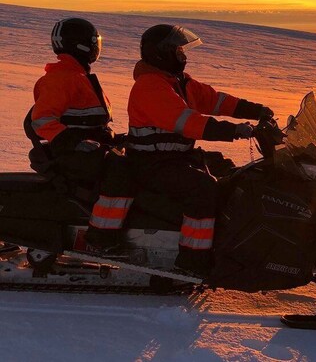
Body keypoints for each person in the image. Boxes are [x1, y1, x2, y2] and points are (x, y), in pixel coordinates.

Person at [126, 24, 274, 277]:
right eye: (178, 50)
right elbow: (188, 122)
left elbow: (214, 100)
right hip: (150, 164)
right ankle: (192, 260)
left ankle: (227, 241)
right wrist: (235, 131)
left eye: (183, 50)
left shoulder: (177, 82)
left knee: (230, 172)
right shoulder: (150, 86)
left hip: (174, 158)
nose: (183, 55)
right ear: (162, 53)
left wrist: (256, 110)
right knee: (203, 188)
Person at [29, 18, 134, 250]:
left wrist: (118, 138)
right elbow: (42, 120)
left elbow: (91, 121)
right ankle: (102, 235)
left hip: (89, 148)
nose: (97, 46)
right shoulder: (60, 79)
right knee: (121, 171)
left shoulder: (78, 76)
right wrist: (75, 142)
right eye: (94, 41)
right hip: (71, 153)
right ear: (81, 45)